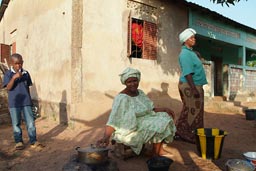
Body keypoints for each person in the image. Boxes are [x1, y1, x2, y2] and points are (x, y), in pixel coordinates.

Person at [97, 67, 176, 157]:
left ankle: (158, 150)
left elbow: (150, 109)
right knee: (159, 123)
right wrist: (106, 137)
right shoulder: (122, 98)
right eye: (129, 82)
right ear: (125, 83)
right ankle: (155, 153)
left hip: (146, 118)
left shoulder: (140, 93)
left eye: (135, 81)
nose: (133, 84)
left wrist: (165, 109)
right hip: (132, 125)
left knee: (165, 117)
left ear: (138, 80)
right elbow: (113, 120)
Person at [3, 53, 44, 150]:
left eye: (20, 63)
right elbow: (8, 88)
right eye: (16, 64)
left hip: (26, 102)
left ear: (22, 62)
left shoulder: (26, 73)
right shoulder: (8, 74)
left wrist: (30, 100)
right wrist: (14, 78)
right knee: (16, 124)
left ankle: (33, 141)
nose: (19, 66)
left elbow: (27, 88)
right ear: (12, 63)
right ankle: (19, 142)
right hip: (14, 103)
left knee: (30, 123)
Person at [175, 28, 207, 144]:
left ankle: (185, 132)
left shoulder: (190, 53)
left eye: (194, 37)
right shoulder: (184, 54)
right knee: (191, 110)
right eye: (191, 38)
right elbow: (188, 73)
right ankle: (185, 133)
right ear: (185, 40)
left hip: (194, 85)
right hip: (190, 86)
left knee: (194, 110)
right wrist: (193, 89)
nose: (194, 39)